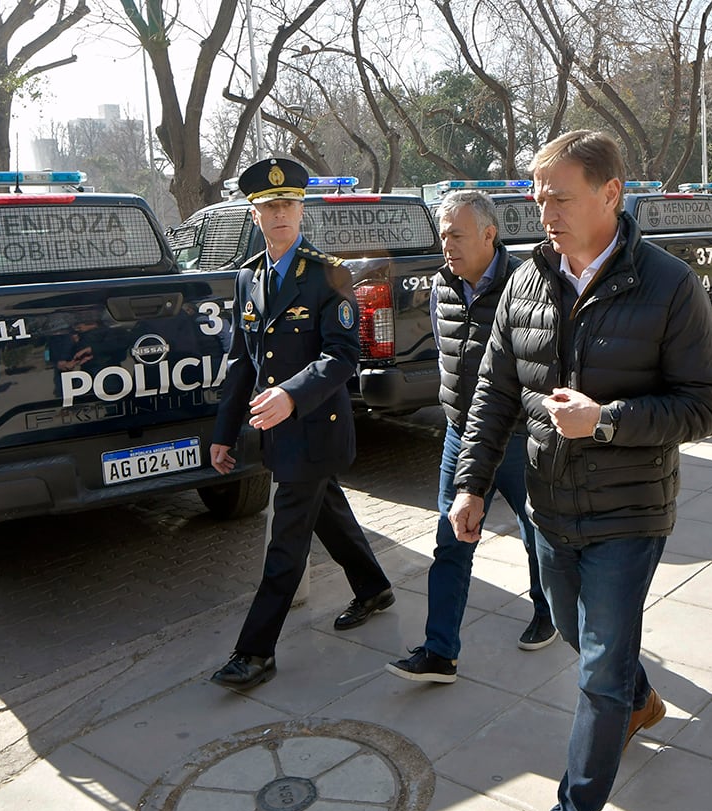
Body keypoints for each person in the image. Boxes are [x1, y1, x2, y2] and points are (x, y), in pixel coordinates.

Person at [449, 130, 712, 811]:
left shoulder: (668, 284)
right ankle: (642, 700)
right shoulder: (525, 279)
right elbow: (493, 394)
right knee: (579, 634)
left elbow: (706, 405)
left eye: (561, 196)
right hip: (550, 508)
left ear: (611, 193)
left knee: (598, 672)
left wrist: (606, 420)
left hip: (629, 514)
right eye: (539, 195)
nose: (546, 209)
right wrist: (471, 484)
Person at [209, 157, 394, 690]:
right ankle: (374, 587)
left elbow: (343, 355)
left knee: (287, 541)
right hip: (276, 430)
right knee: (326, 510)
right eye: (268, 206)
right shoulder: (249, 278)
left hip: (314, 427)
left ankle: (255, 651)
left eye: (287, 204)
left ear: (302, 208)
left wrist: (291, 395)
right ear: (255, 214)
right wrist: (224, 433)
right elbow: (243, 362)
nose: (279, 214)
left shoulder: (327, 274)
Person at [385, 191, 556, 685]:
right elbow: (447, 355)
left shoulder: (529, 285)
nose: (447, 245)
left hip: (518, 439)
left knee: (537, 534)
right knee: (451, 540)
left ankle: (548, 611)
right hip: (461, 436)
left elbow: (541, 363)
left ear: (488, 234)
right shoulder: (442, 287)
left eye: (457, 235)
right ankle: (440, 652)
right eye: (443, 234)